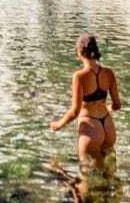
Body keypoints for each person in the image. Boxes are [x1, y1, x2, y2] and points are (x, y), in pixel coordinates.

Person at [49, 33, 121, 169]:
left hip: (91, 128)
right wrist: (107, 108)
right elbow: (117, 105)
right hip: (108, 126)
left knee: (87, 180)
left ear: (79, 52)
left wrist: (57, 125)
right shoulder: (109, 73)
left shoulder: (80, 76)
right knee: (110, 174)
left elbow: (75, 111)